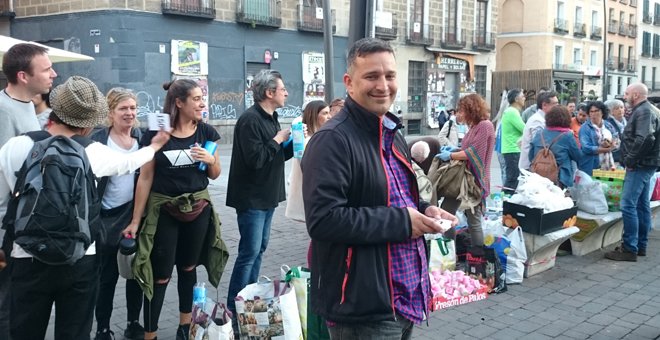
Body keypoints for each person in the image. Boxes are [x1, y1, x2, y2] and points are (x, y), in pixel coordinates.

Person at [302, 38, 457, 339]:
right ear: (349, 82)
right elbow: (324, 220)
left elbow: (398, 197)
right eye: (371, 76)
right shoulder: (332, 140)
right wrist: (403, 221)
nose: (383, 85)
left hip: (406, 293)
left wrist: (425, 210)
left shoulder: (391, 131)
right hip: (364, 305)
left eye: (389, 75)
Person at [0, 76, 170, 340]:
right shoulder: (94, 152)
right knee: (75, 331)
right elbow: (130, 162)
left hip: (26, 255)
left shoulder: (16, 146)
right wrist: (157, 145)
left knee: (24, 330)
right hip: (79, 257)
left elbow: (3, 201)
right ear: (89, 123)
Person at [122, 79, 228, 340]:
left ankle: (185, 327)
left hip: (198, 210)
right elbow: (145, 177)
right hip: (164, 211)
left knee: (188, 268)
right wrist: (136, 221)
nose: (202, 102)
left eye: (202, 97)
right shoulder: (157, 134)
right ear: (179, 103)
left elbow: (214, 174)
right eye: (196, 98)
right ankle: (150, 333)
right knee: (159, 275)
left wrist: (211, 160)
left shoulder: (206, 132)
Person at [226, 69, 293, 329]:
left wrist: (291, 143)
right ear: (269, 92)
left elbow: (273, 157)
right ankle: (235, 309)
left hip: (267, 196)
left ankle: (249, 300)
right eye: (282, 89)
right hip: (251, 198)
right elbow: (256, 160)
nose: (286, 93)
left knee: (259, 250)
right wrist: (279, 138)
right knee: (249, 252)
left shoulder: (272, 117)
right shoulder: (250, 120)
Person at [0, 43, 58, 339]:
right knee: (7, 311)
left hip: (22, 227)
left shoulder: (28, 107)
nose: (54, 73)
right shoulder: (2, 110)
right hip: (6, 232)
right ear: (23, 76)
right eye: (47, 69)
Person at [90, 88, 145, 340]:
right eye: (123, 108)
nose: (130, 113)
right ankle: (103, 327)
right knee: (107, 277)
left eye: (133, 108)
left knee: (135, 274)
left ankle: (133, 322)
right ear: (110, 113)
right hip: (106, 219)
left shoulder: (142, 139)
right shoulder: (99, 141)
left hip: (136, 218)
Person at [605, 83, 660, 261]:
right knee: (640, 205)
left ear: (635, 95)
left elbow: (645, 138)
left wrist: (630, 159)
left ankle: (630, 248)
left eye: (627, 93)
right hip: (646, 163)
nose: (624, 95)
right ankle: (639, 246)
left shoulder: (644, 111)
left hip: (640, 164)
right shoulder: (648, 110)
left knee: (627, 204)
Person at [436, 94, 495, 249]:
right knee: (446, 213)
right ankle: (449, 251)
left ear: (471, 110)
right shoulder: (473, 127)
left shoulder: (485, 125)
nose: (459, 114)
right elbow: (467, 149)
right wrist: (454, 149)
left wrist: (451, 155)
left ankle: (478, 257)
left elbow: (474, 153)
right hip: (462, 179)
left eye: (461, 110)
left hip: (474, 180)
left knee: (473, 219)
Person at [285, 100, 330, 222]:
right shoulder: (305, 139)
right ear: (314, 115)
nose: (329, 117)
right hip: (313, 194)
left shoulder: (321, 136)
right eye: (325, 113)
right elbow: (305, 165)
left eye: (329, 113)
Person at [528, 105, 582, 189]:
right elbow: (577, 156)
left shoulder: (539, 133)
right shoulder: (567, 136)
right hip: (560, 179)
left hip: (538, 176)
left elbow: (531, 156)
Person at [518, 91, 559, 170]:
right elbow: (539, 145)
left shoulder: (542, 119)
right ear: (544, 105)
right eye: (555, 104)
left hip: (536, 165)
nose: (558, 106)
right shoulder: (537, 121)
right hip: (531, 166)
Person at [578, 101, 618, 175]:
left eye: (596, 111)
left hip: (607, 164)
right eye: (591, 111)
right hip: (591, 165)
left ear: (602, 112)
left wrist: (613, 144)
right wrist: (606, 149)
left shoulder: (608, 125)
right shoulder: (585, 128)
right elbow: (586, 148)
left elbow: (617, 140)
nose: (593, 114)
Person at [500, 88, 526, 194]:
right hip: (513, 149)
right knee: (512, 179)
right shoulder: (512, 112)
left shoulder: (510, 111)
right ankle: (505, 203)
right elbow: (525, 129)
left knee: (512, 178)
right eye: (522, 96)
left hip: (511, 149)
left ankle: (505, 202)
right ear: (516, 99)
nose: (524, 98)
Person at [605, 99, 627, 164]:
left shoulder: (628, 121)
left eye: (622, 107)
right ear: (611, 111)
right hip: (614, 157)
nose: (620, 110)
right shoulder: (607, 123)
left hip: (626, 157)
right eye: (616, 108)